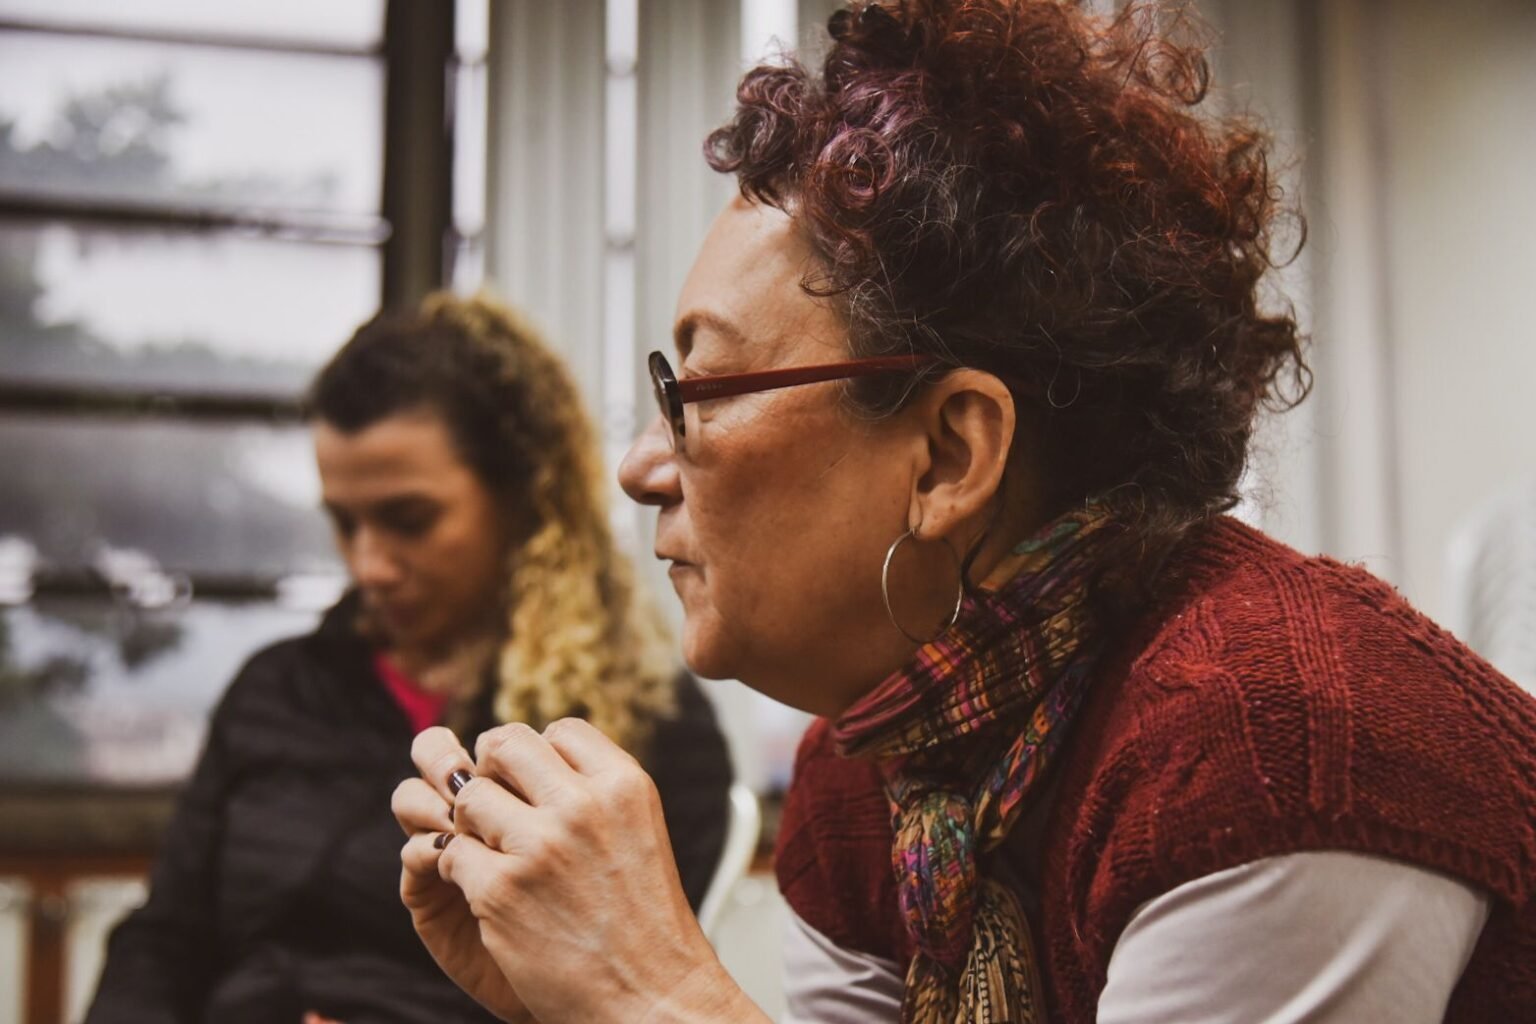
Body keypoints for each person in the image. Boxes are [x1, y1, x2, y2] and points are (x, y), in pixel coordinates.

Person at [391, 2, 1536, 1022]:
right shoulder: (869, 778)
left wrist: (650, 995)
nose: (644, 463)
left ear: (949, 453)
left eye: (696, 391)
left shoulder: (1276, 745)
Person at [84, 293, 732, 1024]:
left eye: (408, 520)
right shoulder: (276, 689)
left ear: (522, 497)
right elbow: (164, 941)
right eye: (344, 521)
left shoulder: (639, 733)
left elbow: (622, 999)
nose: (369, 565)